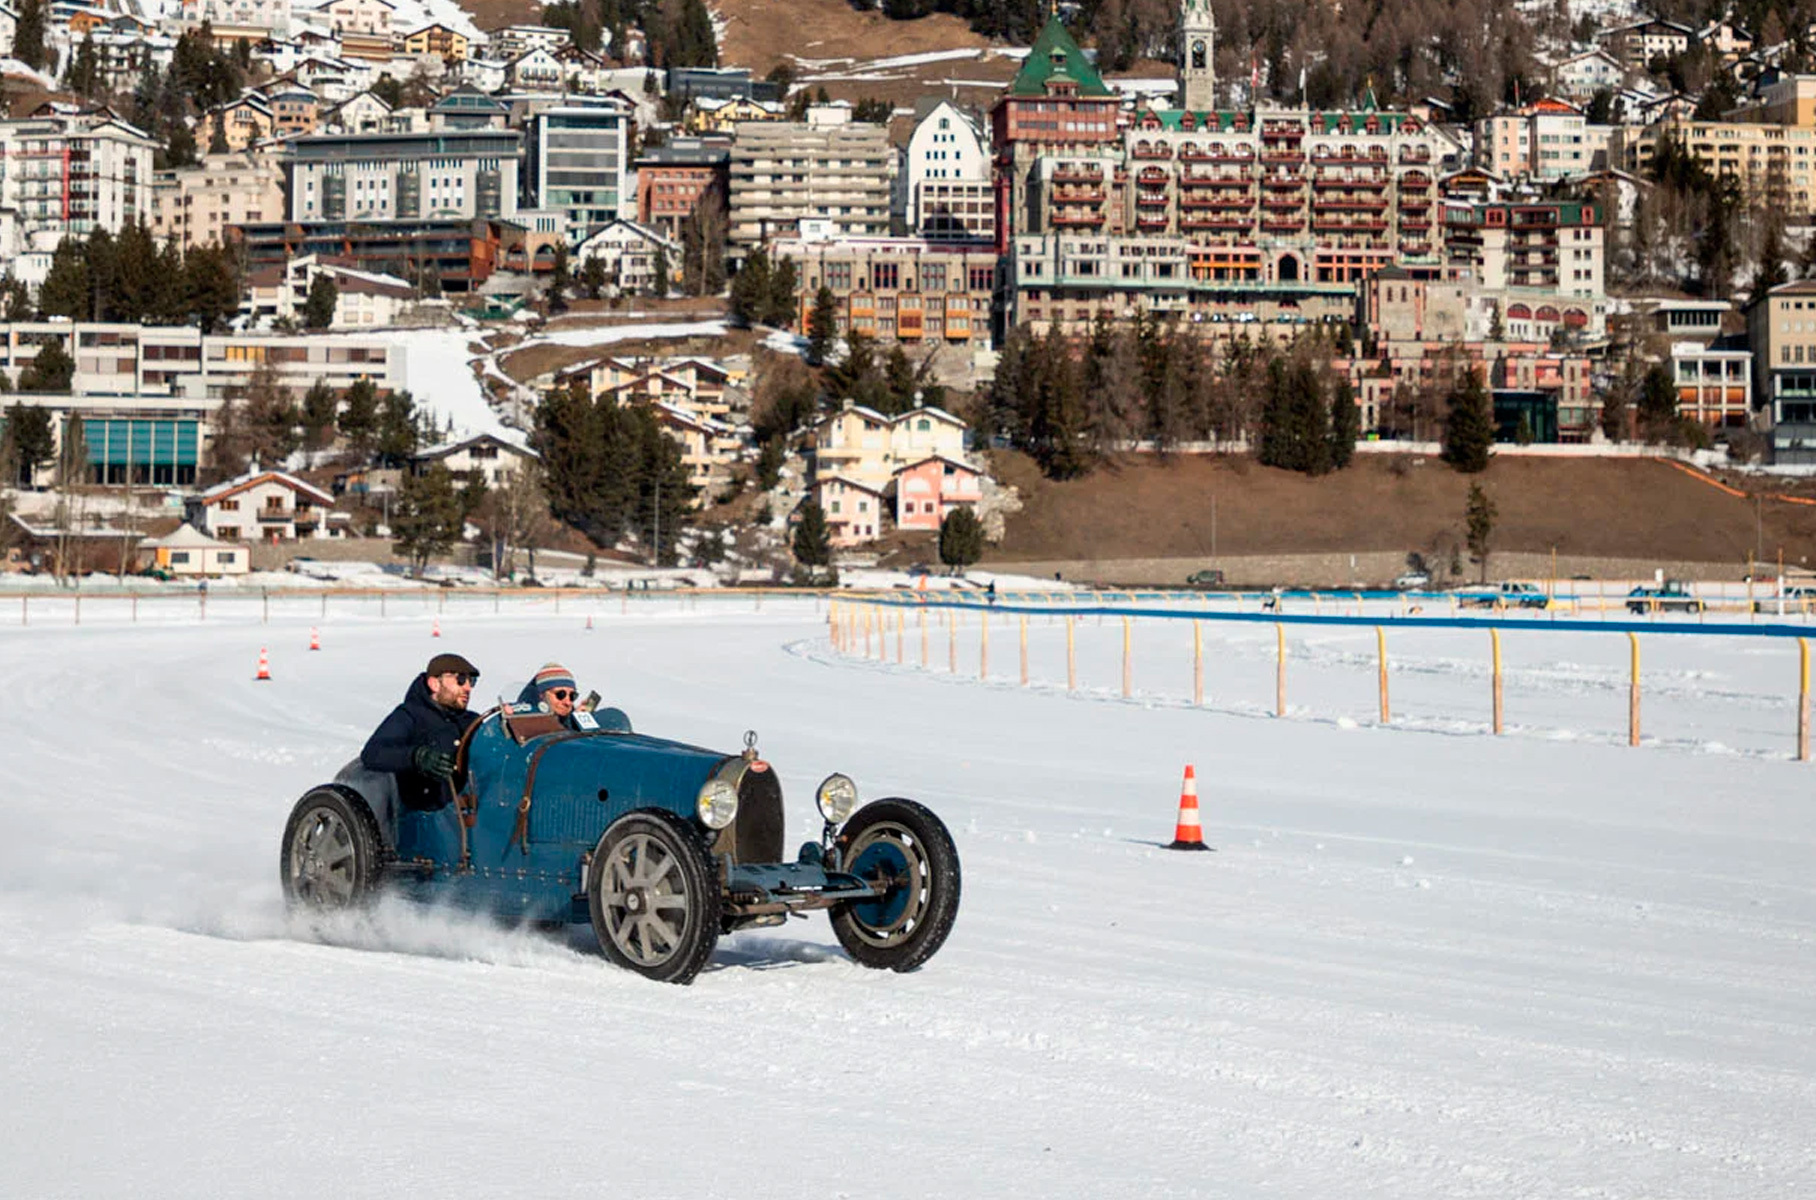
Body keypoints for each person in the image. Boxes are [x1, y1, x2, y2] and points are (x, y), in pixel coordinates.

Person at [361, 652, 482, 813]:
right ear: (435, 684)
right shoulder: (410, 715)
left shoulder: (473, 720)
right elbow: (373, 753)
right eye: (460, 679)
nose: (467, 687)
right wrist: (417, 757)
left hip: (473, 815)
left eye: (471, 681)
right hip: (424, 819)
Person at [515, 661, 583, 727]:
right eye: (560, 695)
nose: (568, 702)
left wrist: (577, 720)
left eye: (572, 696)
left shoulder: (573, 719)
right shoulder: (521, 720)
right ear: (541, 695)